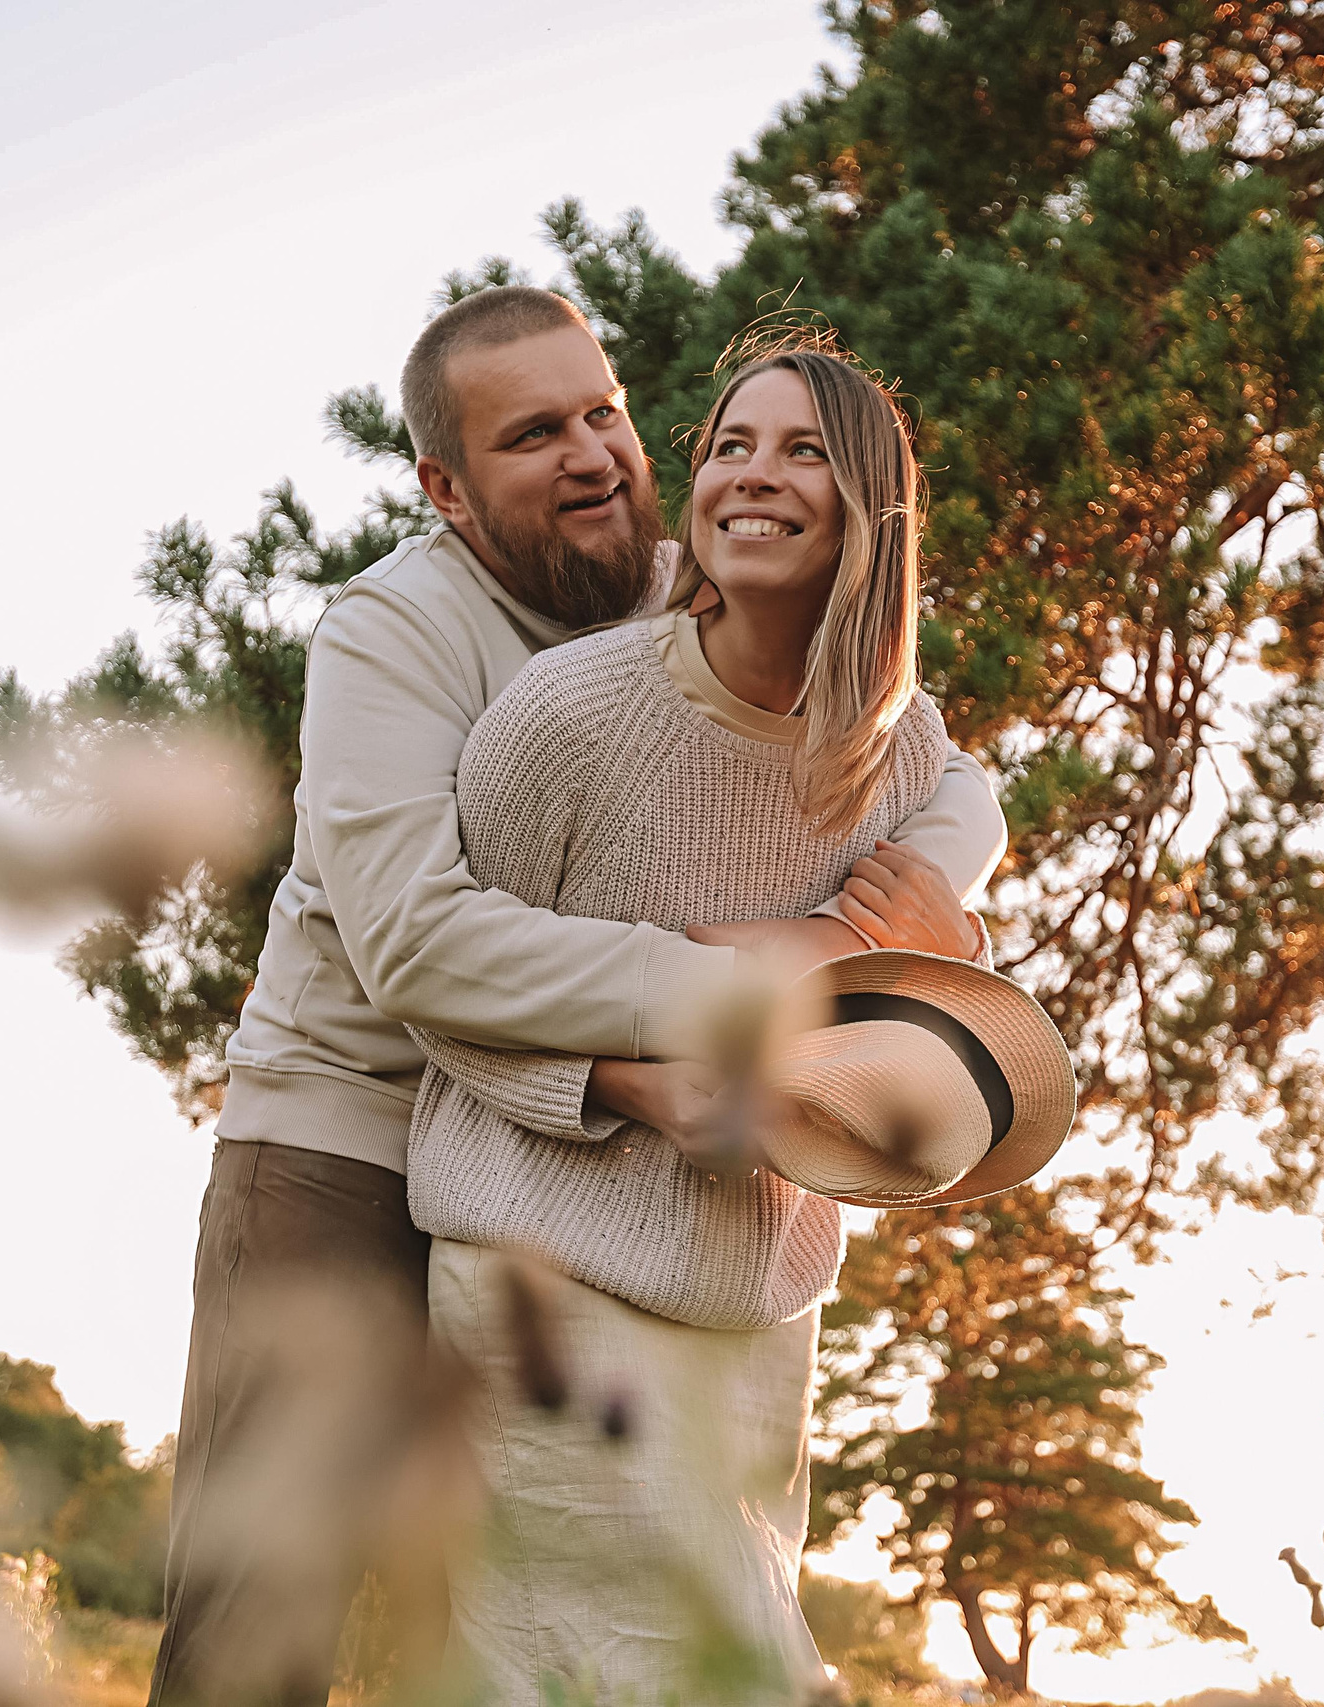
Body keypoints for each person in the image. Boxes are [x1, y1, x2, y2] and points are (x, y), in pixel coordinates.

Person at [147, 289, 1010, 1707]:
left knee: (489, 1625)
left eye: (603, 410)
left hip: (569, 1169)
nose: (593, 453)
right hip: (343, 1138)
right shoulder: (395, 630)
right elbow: (419, 944)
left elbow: (941, 768)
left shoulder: (702, 585)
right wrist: (732, 980)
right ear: (447, 486)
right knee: (266, 1607)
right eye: (534, 433)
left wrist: (871, 914)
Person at [405, 340, 1079, 1705]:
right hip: (546, 1278)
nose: (753, 477)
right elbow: (433, 983)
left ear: (869, 512)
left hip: (758, 1308)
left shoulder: (899, 756)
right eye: (728, 446)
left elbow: (898, 981)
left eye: (804, 451)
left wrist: (950, 941)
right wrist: (626, 1084)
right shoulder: (571, 716)